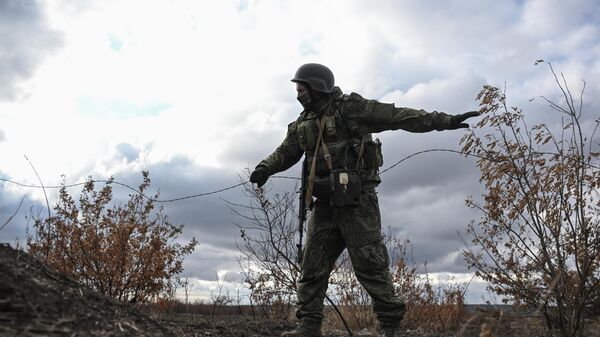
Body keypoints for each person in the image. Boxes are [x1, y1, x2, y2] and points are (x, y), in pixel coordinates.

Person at [249, 63, 478, 337]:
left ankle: (390, 325)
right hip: (324, 205)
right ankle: (308, 326)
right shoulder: (302, 123)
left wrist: (445, 121)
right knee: (312, 267)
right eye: (297, 89)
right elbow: (286, 152)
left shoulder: (351, 109)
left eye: (302, 88)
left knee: (370, 265)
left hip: (357, 203)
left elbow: (398, 117)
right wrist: (265, 168)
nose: (298, 94)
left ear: (317, 86)